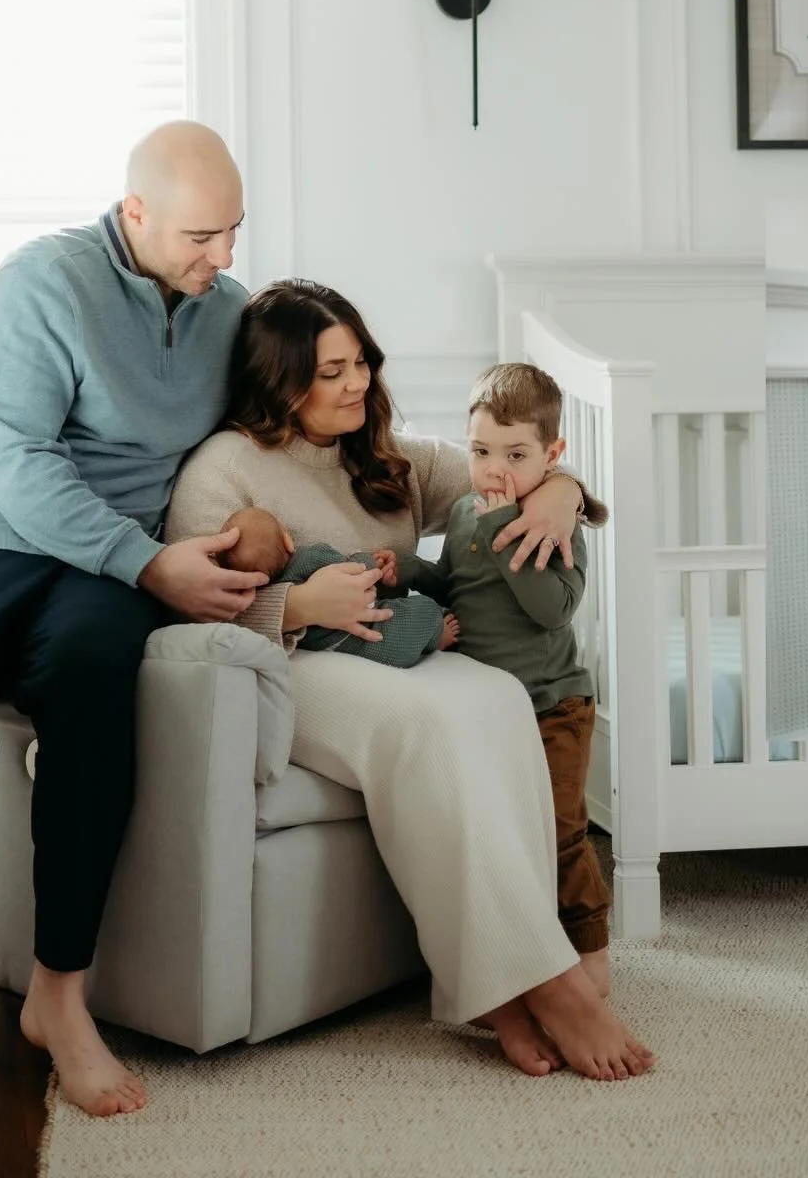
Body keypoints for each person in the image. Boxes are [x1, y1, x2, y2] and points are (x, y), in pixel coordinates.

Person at [165, 280, 655, 1081]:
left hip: (401, 650)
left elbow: (506, 474)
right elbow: (186, 615)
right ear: (280, 379)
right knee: (426, 723)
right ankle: (544, 982)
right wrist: (292, 606)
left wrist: (566, 494)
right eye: (332, 370)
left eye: (361, 361)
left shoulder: (381, 453)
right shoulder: (223, 470)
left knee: (497, 697)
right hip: (293, 667)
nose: (358, 382)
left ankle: (510, 976)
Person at [0, 121, 272, 1116]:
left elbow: (311, 420)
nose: (226, 258)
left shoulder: (229, 311)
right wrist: (148, 562)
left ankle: (59, 998)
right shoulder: (39, 287)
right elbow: (15, 463)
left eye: (236, 232)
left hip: (101, 564)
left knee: (95, 694)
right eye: (204, 236)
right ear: (135, 215)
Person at [390, 361, 613, 999]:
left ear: (553, 454)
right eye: (482, 451)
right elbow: (455, 582)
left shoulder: (551, 522)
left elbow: (553, 608)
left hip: (551, 706)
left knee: (563, 831)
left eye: (517, 454)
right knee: (502, 836)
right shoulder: (465, 513)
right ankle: (525, 954)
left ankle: (591, 955)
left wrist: (501, 527)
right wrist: (404, 570)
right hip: (487, 710)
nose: (497, 470)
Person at [219, 506, 456, 663]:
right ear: (286, 538)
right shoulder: (312, 557)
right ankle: (439, 634)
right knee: (421, 611)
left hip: (333, 647)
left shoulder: (270, 588)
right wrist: (373, 563)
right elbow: (352, 569)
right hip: (378, 630)